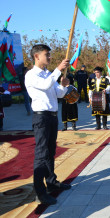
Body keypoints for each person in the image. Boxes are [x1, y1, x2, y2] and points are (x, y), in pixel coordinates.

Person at [25, 44, 71, 205]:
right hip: (41, 118)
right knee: (42, 154)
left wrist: (64, 86)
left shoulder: (47, 74)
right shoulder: (31, 75)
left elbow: (58, 93)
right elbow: (45, 86)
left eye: (50, 54)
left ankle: (51, 182)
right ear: (37, 56)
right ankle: (40, 192)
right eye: (47, 54)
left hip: (52, 116)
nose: (50, 57)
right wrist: (58, 69)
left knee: (51, 151)